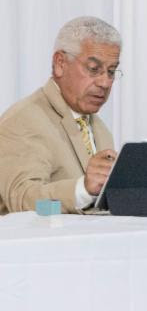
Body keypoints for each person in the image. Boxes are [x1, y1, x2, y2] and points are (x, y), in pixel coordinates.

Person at [0, 16, 121, 214]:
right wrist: (83, 189)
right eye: (94, 69)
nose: (105, 82)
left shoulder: (99, 128)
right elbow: (21, 203)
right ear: (60, 63)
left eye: (111, 71)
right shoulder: (22, 121)